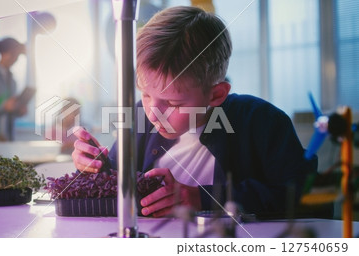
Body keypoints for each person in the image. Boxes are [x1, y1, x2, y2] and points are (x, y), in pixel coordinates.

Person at [72, 6, 317, 219]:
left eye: (173, 103)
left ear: (215, 95)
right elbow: (116, 180)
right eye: (145, 94)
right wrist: (96, 167)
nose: (153, 113)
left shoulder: (261, 121)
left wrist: (202, 199)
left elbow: (304, 194)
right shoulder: (139, 118)